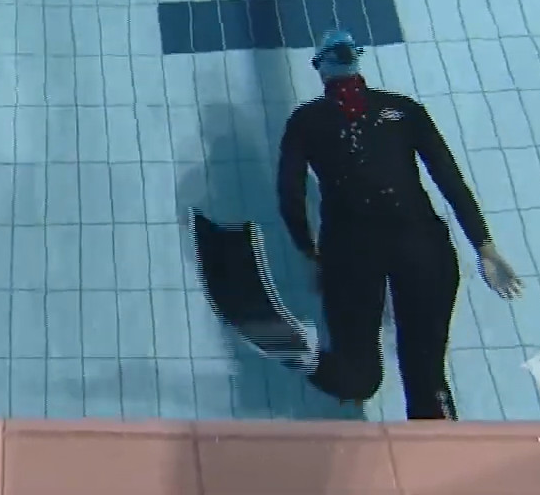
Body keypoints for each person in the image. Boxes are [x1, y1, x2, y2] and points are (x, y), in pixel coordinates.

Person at [192, 30, 522, 420]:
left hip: (352, 251)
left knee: (359, 379)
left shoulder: (307, 121)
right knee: (427, 376)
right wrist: (484, 245)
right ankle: (439, 449)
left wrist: (310, 252)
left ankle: (303, 352)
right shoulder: (403, 109)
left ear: (320, 69)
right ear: (358, 61)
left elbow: (290, 197)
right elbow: (449, 179)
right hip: (421, 244)